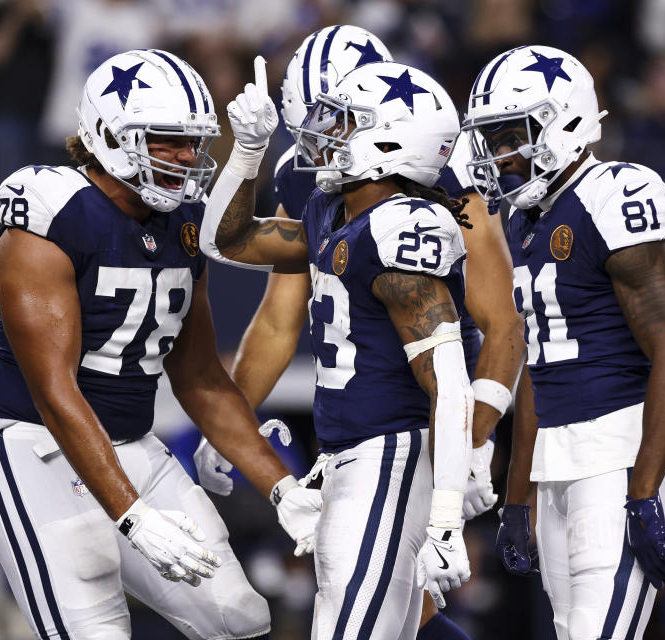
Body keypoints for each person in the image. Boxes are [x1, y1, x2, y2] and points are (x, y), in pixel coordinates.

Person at [0, 49, 322, 640]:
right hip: (27, 444)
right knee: (96, 630)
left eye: (192, 142)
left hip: (128, 440)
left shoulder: (182, 226)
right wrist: (133, 516)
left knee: (241, 618)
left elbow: (201, 378)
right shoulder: (53, 218)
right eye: (166, 141)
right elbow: (55, 392)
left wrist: (282, 488)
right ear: (107, 135)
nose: (186, 158)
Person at [193, 25, 523, 640]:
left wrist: (473, 444)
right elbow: (263, 291)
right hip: (351, 440)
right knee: (403, 616)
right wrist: (232, 421)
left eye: (337, 119)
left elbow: (499, 325)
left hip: (407, 437)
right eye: (319, 118)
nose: (319, 133)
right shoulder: (324, 188)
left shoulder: (428, 201)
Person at [462, 45, 665, 640]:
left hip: (621, 449)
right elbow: (536, 372)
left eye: (509, 135)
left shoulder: (616, 192)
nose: (500, 155)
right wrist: (517, 496)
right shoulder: (524, 220)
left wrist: (645, 491)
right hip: (557, 459)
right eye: (492, 139)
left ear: (561, 120)